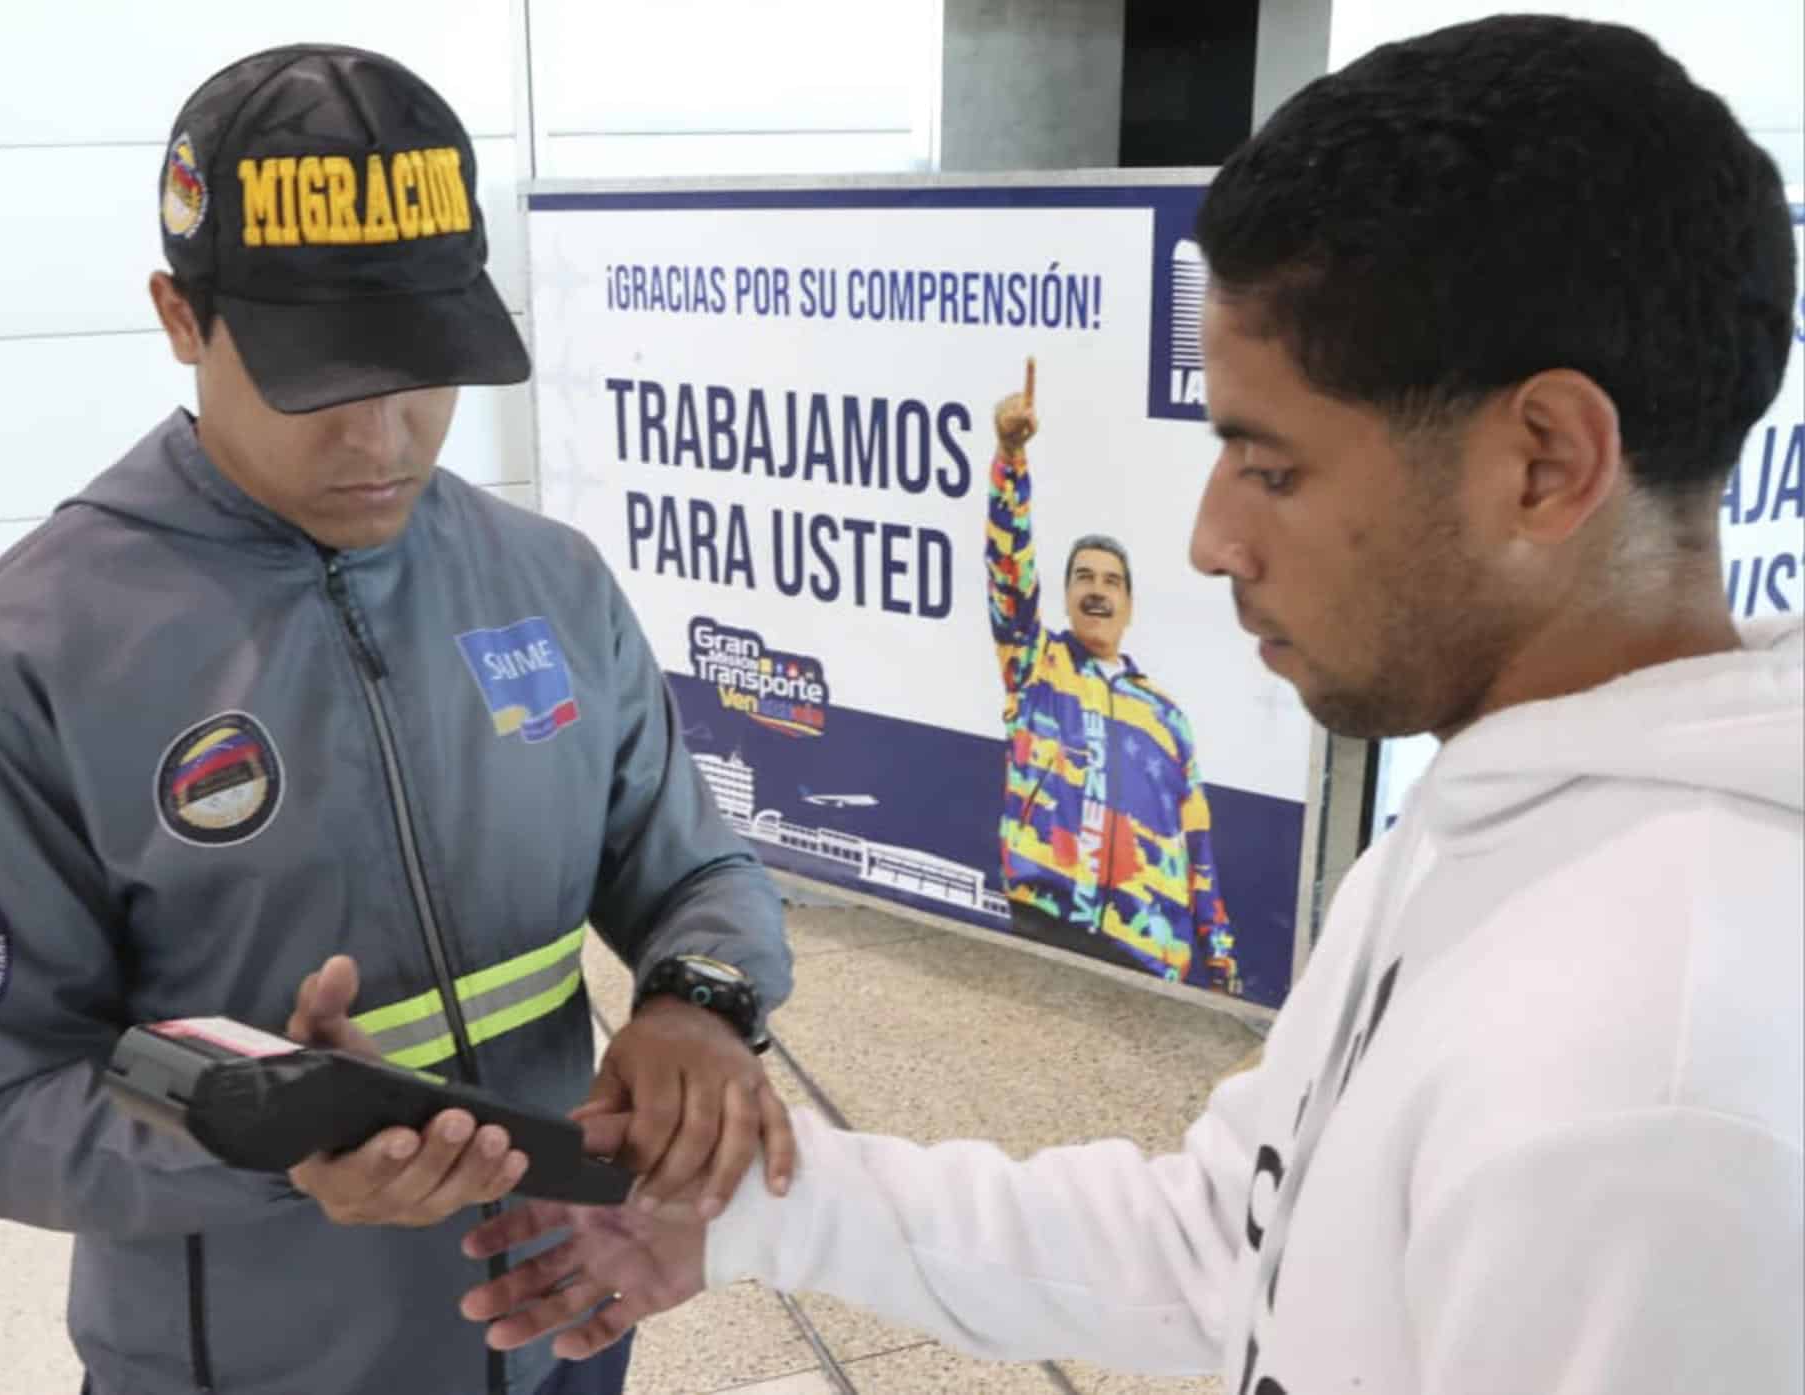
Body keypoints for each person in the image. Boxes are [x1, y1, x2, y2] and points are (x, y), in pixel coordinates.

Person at [452, 17, 1804, 1394]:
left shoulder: (1661, 1089)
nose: (1211, 539)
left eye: (1269, 467)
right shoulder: (1491, 824)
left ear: (1543, 462)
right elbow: (1225, 1243)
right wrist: (742, 1206)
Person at [0, 44, 796, 1395]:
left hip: (561, 1341)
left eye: (424, 364)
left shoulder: (549, 584)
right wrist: (260, 1141)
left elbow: (697, 870)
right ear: (181, 316)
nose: (385, 434)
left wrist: (703, 998)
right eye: (323, 377)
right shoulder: (16, 662)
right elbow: (5, 1112)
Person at [987, 357, 1237, 991]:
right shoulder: (1036, 666)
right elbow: (1008, 573)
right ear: (1066, 596)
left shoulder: (1166, 719)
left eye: (1112, 582)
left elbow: (1198, 854)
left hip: (1146, 948)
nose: (1097, 592)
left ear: (1129, 603)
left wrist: (1222, 966)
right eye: (1083, 579)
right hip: (1047, 921)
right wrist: (1010, 458)